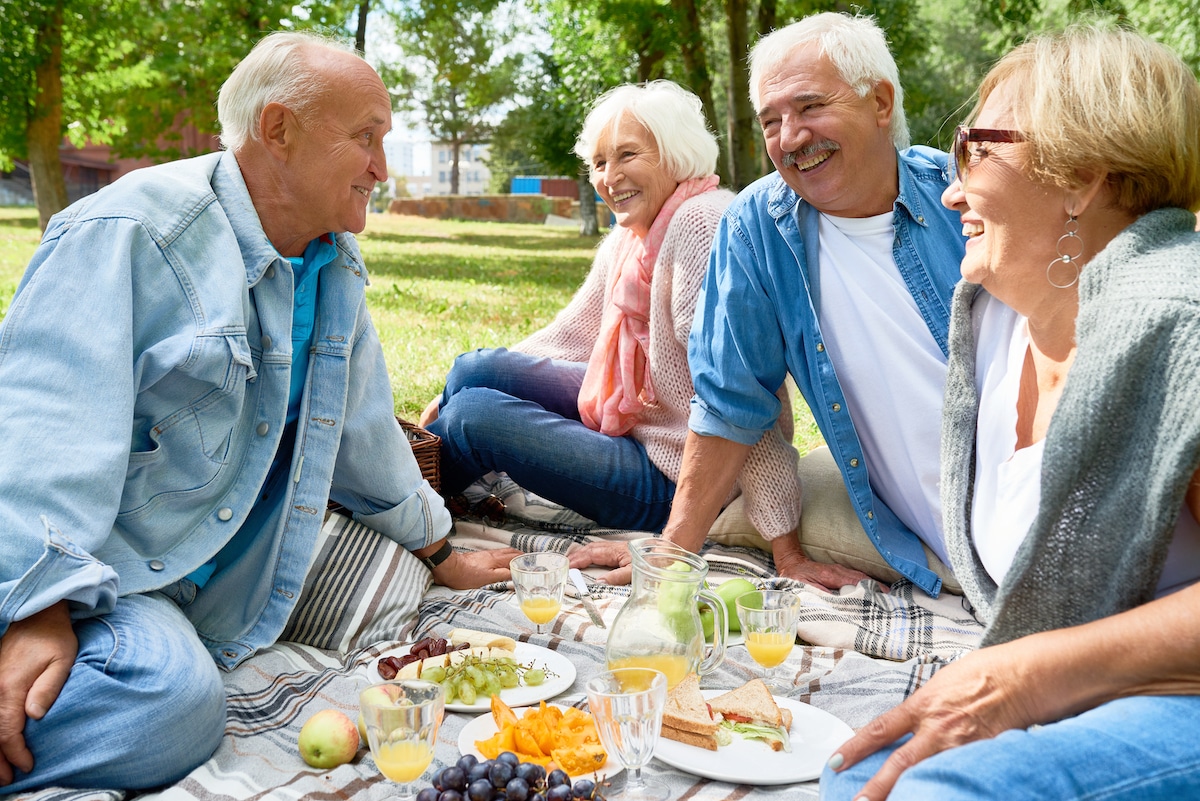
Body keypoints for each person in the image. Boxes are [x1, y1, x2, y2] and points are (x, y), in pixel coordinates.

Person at [0, 32, 516, 792]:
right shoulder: (134, 233)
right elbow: (42, 423)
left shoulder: (332, 262)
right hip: (84, 576)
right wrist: (36, 603)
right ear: (279, 130)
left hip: (172, 600)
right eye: (366, 138)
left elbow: (367, 433)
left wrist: (440, 550)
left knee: (167, 695)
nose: (381, 167)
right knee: (171, 702)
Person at [823, 25, 1200, 800]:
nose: (951, 189)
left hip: (1179, 693)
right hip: (1090, 690)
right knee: (851, 775)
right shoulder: (993, 323)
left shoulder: (1178, 324)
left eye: (975, 151)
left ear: (1082, 176)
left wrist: (1026, 678)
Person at [572, 12, 965, 592]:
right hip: (955, 532)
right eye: (771, 121)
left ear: (880, 103)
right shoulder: (758, 228)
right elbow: (732, 403)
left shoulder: (966, 197)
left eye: (810, 107)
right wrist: (671, 556)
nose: (790, 138)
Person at [421, 81, 800, 541]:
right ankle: (435, 474)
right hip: (642, 416)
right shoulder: (635, 233)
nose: (608, 176)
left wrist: (783, 536)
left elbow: (739, 394)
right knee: (472, 371)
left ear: (674, 153)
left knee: (471, 418)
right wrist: (460, 385)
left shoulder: (702, 226)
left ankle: (404, 504)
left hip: (675, 478)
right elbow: (572, 336)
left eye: (627, 156)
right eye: (599, 163)